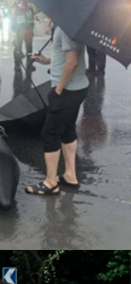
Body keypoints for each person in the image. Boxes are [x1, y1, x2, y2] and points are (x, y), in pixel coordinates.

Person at [25, 21, 90, 195]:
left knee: (50, 132)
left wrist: (59, 88)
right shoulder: (73, 26)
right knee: (67, 129)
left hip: (67, 90)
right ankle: (70, 175)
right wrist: (47, 61)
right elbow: (67, 57)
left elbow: (73, 62)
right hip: (77, 87)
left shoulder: (65, 28)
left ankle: (51, 182)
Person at [12, 0, 35, 71]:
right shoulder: (17, 5)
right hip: (20, 28)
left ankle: (29, 64)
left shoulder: (29, 5)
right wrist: (14, 29)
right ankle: (17, 64)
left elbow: (34, 13)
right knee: (18, 47)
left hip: (29, 28)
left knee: (29, 47)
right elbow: (14, 16)